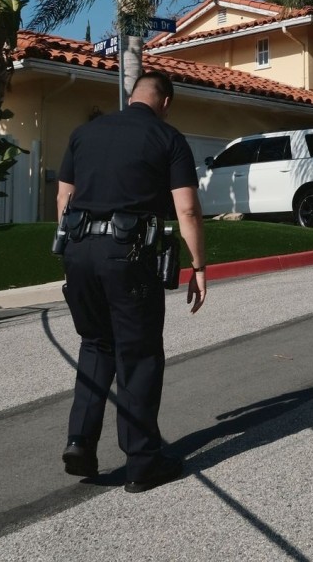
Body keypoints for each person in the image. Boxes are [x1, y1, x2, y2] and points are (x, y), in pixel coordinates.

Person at [55, 69, 208, 492]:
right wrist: (198, 266)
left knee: (95, 344)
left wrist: (72, 254)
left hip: (78, 250)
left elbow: (63, 198)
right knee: (138, 354)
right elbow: (188, 211)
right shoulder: (168, 138)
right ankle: (142, 461)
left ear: (131, 94)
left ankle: (80, 443)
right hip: (128, 253)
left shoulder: (84, 133)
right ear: (165, 102)